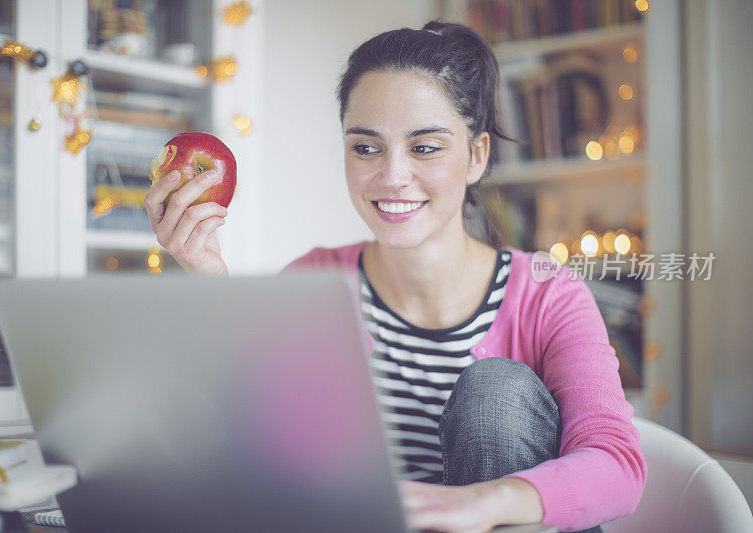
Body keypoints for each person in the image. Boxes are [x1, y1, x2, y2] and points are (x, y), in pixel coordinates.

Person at [143, 20, 647, 533]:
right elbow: (244, 453)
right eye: (366, 148)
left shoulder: (548, 293)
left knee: (498, 390)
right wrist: (209, 281)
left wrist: (479, 505)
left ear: (476, 156)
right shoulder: (311, 284)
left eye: (425, 147)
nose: (391, 177)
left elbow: (616, 465)